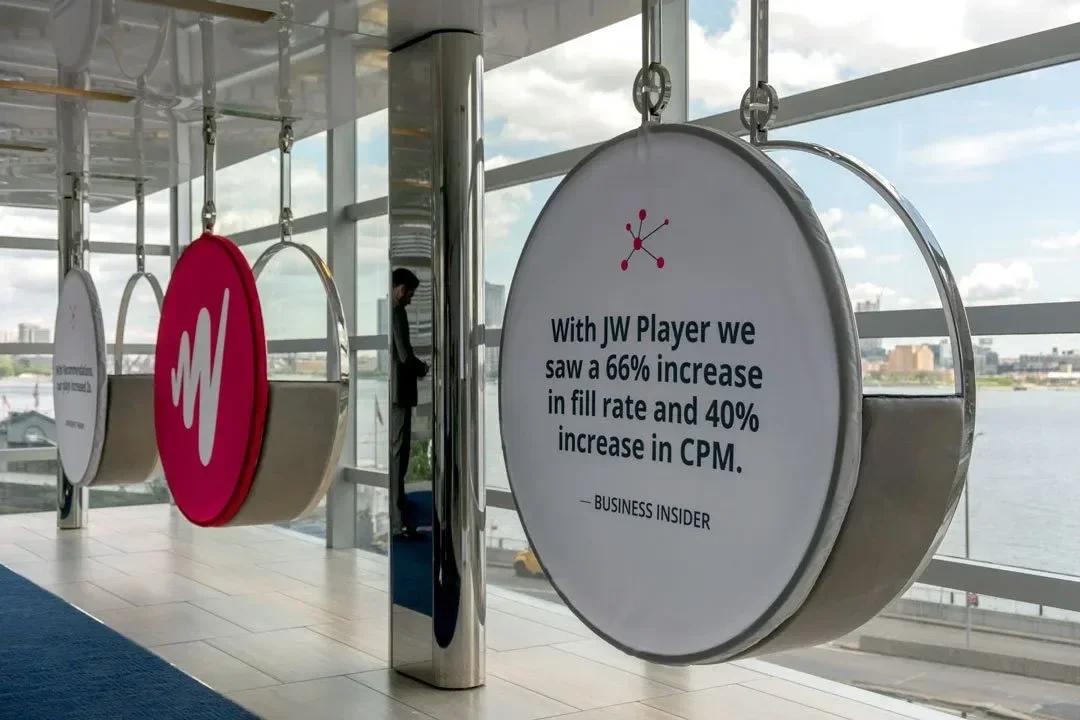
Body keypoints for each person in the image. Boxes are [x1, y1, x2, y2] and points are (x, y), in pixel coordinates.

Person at [390, 268, 428, 539]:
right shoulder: (397, 313)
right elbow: (405, 356)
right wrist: (424, 368)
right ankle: (398, 520)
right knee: (399, 456)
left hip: (395, 393)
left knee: (399, 455)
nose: (410, 299)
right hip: (400, 394)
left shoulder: (391, 312)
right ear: (401, 288)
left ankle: (399, 513)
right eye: (411, 294)